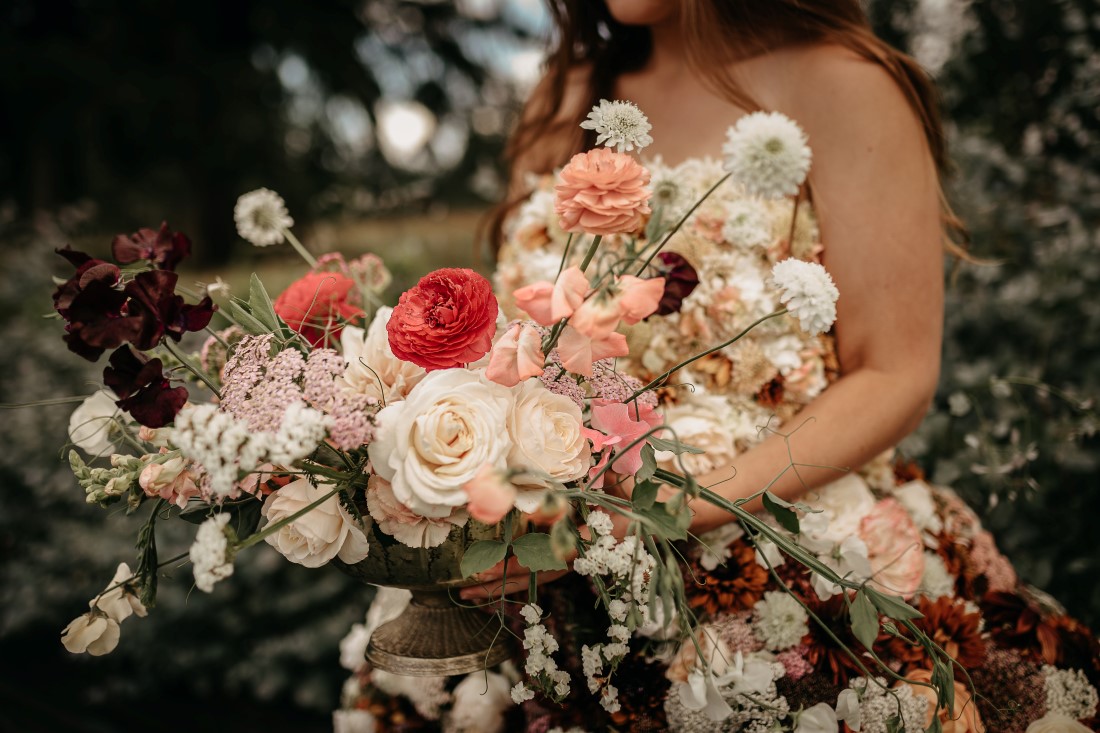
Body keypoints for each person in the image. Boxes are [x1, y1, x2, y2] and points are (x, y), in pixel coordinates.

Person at [339, 2, 1100, 731]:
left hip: (781, 562)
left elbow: (894, 371)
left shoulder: (846, 85)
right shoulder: (567, 93)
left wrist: (671, 509)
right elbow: (509, 349)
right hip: (545, 577)